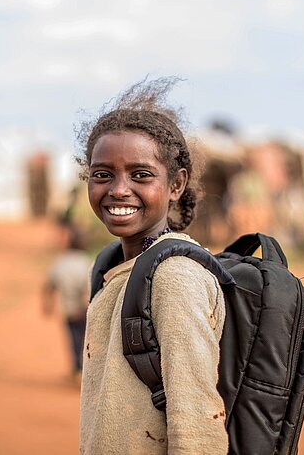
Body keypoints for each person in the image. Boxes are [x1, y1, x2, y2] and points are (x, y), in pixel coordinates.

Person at [76, 78, 228, 454]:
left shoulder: (175, 278)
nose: (119, 189)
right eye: (102, 174)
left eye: (141, 175)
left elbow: (197, 427)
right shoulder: (114, 266)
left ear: (176, 184)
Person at [42, 224, 92, 379]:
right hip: (86, 309)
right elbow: (90, 286)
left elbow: (49, 286)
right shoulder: (87, 262)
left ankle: (77, 369)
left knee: (74, 339)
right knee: (86, 341)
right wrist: (85, 306)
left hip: (69, 310)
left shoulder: (60, 263)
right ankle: (84, 370)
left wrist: (47, 305)